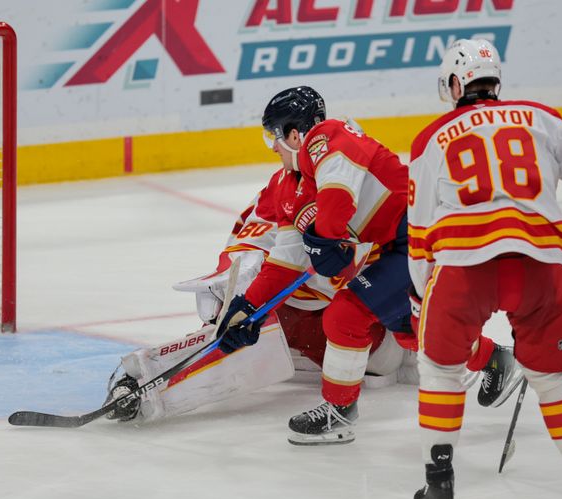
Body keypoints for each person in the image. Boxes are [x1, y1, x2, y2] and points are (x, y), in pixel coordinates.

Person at [216, 86, 516, 446]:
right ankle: (493, 358)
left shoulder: (328, 137)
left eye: (274, 138)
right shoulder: (291, 185)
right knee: (407, 327)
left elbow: (338, 199)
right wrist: (248, 309)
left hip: (423, 232)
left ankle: (339, 411)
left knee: (347, 316)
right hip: (399, 244)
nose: (274, 148)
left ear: (295, 134)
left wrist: (324, 240)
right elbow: (286, 260)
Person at [407, 39, 562, 499]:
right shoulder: (541, 117)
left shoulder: (431, 137)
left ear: (456, 84)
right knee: (556, 377)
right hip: (538, 268)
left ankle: (440, 480)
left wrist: (421, 292)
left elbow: (419, 235)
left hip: (463, 270)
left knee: (438, 370)